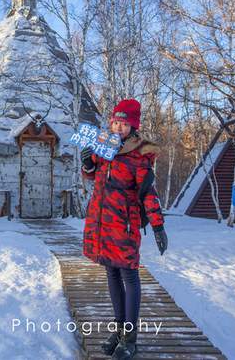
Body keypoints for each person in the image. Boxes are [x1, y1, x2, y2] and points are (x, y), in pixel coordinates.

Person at [80, 98, 168, 360]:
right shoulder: (103, 145)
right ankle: (119, 332)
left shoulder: (139, 155)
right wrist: (87, 164)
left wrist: (158, 226)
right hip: (101, 223)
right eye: (115, 121)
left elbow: (148, 194)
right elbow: (93, 175)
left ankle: (130, 338)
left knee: (129, 277)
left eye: (124, 123)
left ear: (133, 126)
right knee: (111, 274)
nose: (118, 127)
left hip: (124, 226)